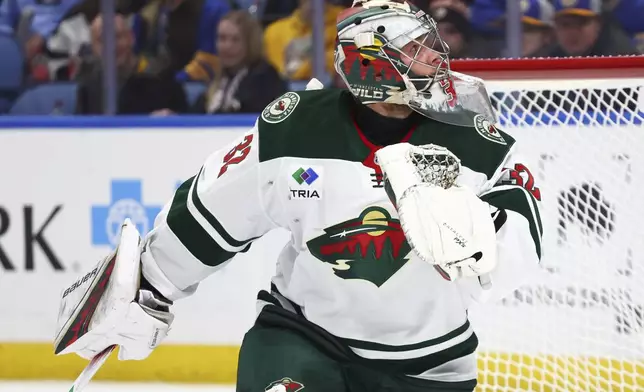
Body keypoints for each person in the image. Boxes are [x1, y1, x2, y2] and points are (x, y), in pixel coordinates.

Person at [54, 1, 543, 391]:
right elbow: (213, 211)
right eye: (417, 49)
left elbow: (523, 234)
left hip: (429, 367)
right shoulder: (295, 129)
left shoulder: (475, 138)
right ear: (372, 66)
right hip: (305, 341)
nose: (438, 58)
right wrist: (150, 286)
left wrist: (479, 246)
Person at [193, 10, 287, 114]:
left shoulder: (265, 77)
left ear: (250, 43)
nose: (227, 46)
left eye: (235, 40)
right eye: (222, 38)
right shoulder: (218, 80)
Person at [548, 0, 638, 57]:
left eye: (581, 23)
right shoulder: (550, 57)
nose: (572, 32)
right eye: (565, 25)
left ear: (598, 24)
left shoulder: (620, 56)